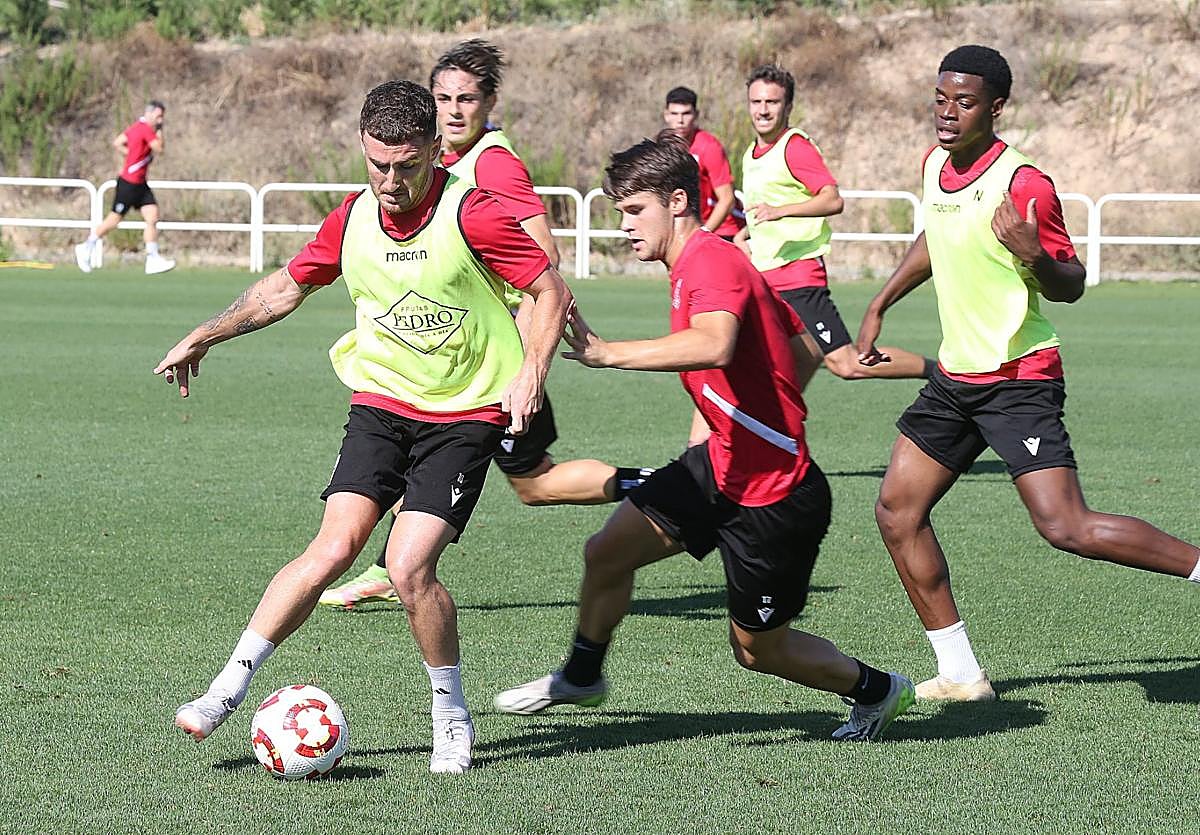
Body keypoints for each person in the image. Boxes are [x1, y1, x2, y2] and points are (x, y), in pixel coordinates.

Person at [157, 80, 572, 773]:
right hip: (380, 403)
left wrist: (532, 368)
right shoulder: (350, 218)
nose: (390, 179)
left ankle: (450, 714)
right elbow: (282, 288)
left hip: (465, 412)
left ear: (436, 151)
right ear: (363, 148)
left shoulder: (473, 214)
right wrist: (207, 333)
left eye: (407, 165)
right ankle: (227, 687)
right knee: (333, 547)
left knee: (410, 567)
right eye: (378, 163)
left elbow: (549, 286)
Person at [494, 133, 915, 743]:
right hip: (718, 468)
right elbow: (800, 343)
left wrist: (610, 353)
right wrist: (746, 412)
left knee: (757, 650)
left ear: (679, 202)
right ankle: (583, 676)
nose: (626, 226)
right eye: (620, 213)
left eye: (636, 211)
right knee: (607, 552)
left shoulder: (712, 261)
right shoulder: (698, 263)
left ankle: (878, 690)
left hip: (773, 498)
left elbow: (715, 343)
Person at [856, 45, 1200, 702]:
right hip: (958, 377)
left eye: (965, 102)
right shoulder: (934, 164)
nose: (948, 113)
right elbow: (936, 232)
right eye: (940, 99)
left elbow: (1071, 283)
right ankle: (960, 672)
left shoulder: (1024, 183)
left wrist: (1034, 253)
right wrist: (878, 303)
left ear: (996, 107)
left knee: (1064, 526)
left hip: (1019, 377)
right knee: (898, 511)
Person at [319, 39, 652, 610]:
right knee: (530, 482)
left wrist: (532, 360)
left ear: (490, 102)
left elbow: (543, 264)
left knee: (533, 481)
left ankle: (667, 487)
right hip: (452, 358)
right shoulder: (435, 162)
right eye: (442, 98)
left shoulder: (492, 162)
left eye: (466, 99)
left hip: (493, 365)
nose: (453, 110)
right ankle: (389, 567)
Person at [735, 65, 929, 385]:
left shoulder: (794, 147)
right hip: (765, 276)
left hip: (797, 277)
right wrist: (746, 234)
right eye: (756, 102)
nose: (763, 110)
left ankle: (939, 374)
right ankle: (778, 431)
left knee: (846, 363)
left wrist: (782, 211)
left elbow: (832, 200)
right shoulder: (750, 153)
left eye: (772, 102)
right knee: (762, 359)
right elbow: (763, 211)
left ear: (788, 107)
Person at [74, 100, 176, 275]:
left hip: (141, 183)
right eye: (159, 117)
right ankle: (86, 246)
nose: (160, 120)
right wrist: (160, 132)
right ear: (150, 114)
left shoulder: (136, 126)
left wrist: (131, 156)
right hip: (129, 183)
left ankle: (152, 258)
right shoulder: (145, 129)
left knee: (152, 216)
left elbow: (118, 142)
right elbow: (159, 148)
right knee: (113, 220)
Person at [662, 86, 744, 241]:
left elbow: (727, 200)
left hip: (722, 229)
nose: (680, 120)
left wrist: (702, 235)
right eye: (674, 114)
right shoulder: (664, 147)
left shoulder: (709, 147)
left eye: (686, 113)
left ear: (696, 115)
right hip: (690, 229)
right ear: (666, 115)